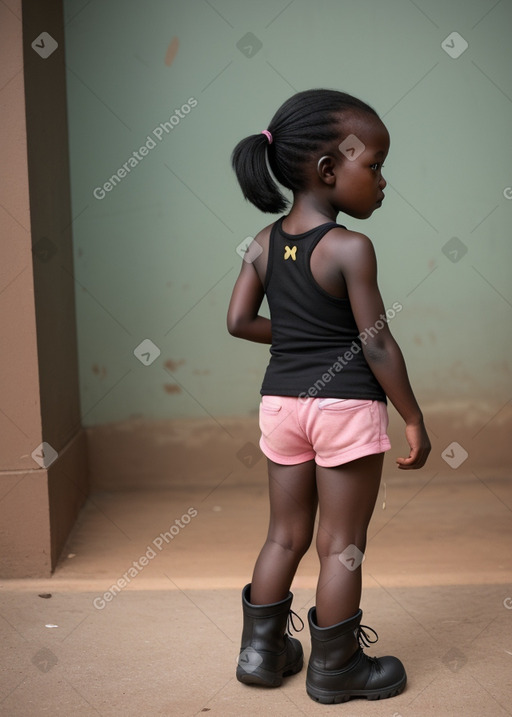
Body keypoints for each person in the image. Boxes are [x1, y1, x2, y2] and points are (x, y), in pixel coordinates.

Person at [227, 88, 431, 704]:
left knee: (283, 535)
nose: (382, 180)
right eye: (373, 166)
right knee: (341, 544)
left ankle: (262, 654)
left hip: (281, 407)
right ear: (326, 170)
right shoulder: (348, 248)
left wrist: (293, 335)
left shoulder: (262, 242)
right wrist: (414, 417)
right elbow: (375, 345)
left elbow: (238, 322)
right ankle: (336, 669)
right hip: (344, 406)